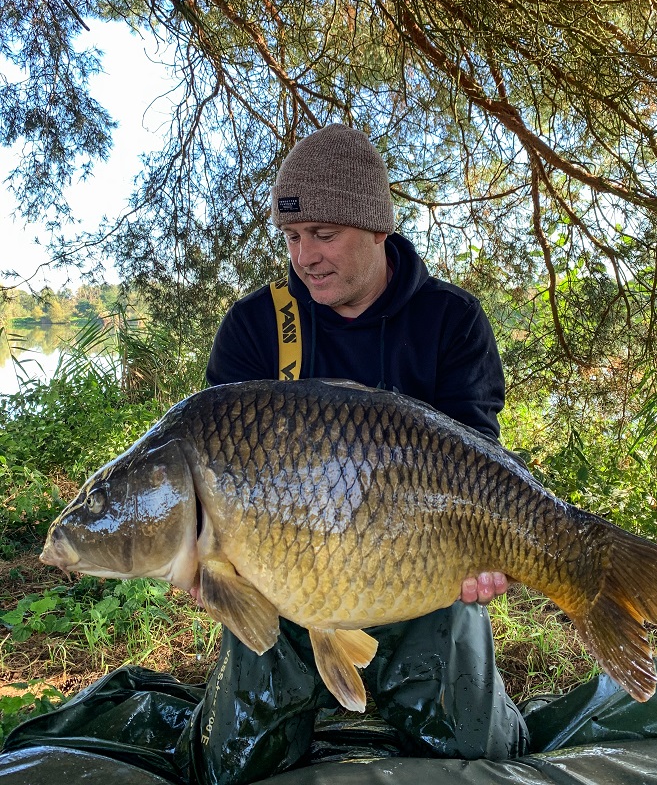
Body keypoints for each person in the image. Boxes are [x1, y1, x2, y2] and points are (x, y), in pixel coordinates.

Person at [191, 123, 529, 785]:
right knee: (235, 764)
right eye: (292, 238)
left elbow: (479, 473)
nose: (305, 256)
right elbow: (208, 470)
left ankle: (483, 712)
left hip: (419, 568)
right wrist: (200, 561)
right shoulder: (259, 327)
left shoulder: (450, 321)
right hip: (281, 576)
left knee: (476, 756)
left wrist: (492, 551)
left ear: (377, 228)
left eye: (324, 233)